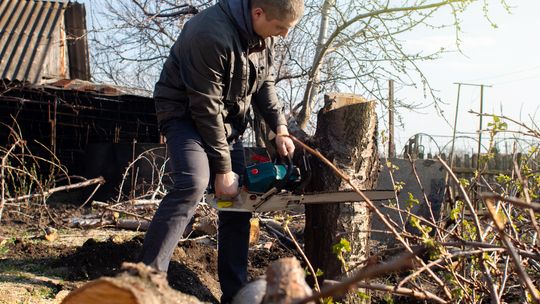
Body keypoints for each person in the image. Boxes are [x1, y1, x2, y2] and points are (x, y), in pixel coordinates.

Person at [139, 0, 304, 302]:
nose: (282, 35)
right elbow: (205, 108)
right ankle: (146, 280)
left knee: (238, 200)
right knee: (193, 182)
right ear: (258, 13)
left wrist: (280, 128)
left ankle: (234, 291)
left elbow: (265, 85)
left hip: (225, 122)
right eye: (280, 28)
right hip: (185, 114)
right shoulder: (209, 34)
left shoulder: (262, 36)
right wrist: (223, 169)